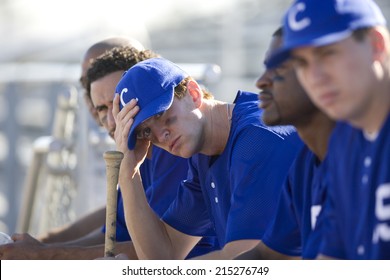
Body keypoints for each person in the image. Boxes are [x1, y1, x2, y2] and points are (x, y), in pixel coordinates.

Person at [112, 57, 303, 259]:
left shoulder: (258, 138)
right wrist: (128, 171)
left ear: (193, 94)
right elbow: (162, 257)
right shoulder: (204, 156)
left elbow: (249, 263)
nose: (160, 136)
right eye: (147, 132)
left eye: (161, 114)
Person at [267, 0, 390, 259]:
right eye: (302, 63)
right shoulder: (344, 141)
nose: (315, 76)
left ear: (376, 45)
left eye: (327, 53)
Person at [237, 27, 335, 259]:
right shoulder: (305, 159)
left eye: (279, 68)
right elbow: (269, 254)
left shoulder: (370, 156)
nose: (261, 82)